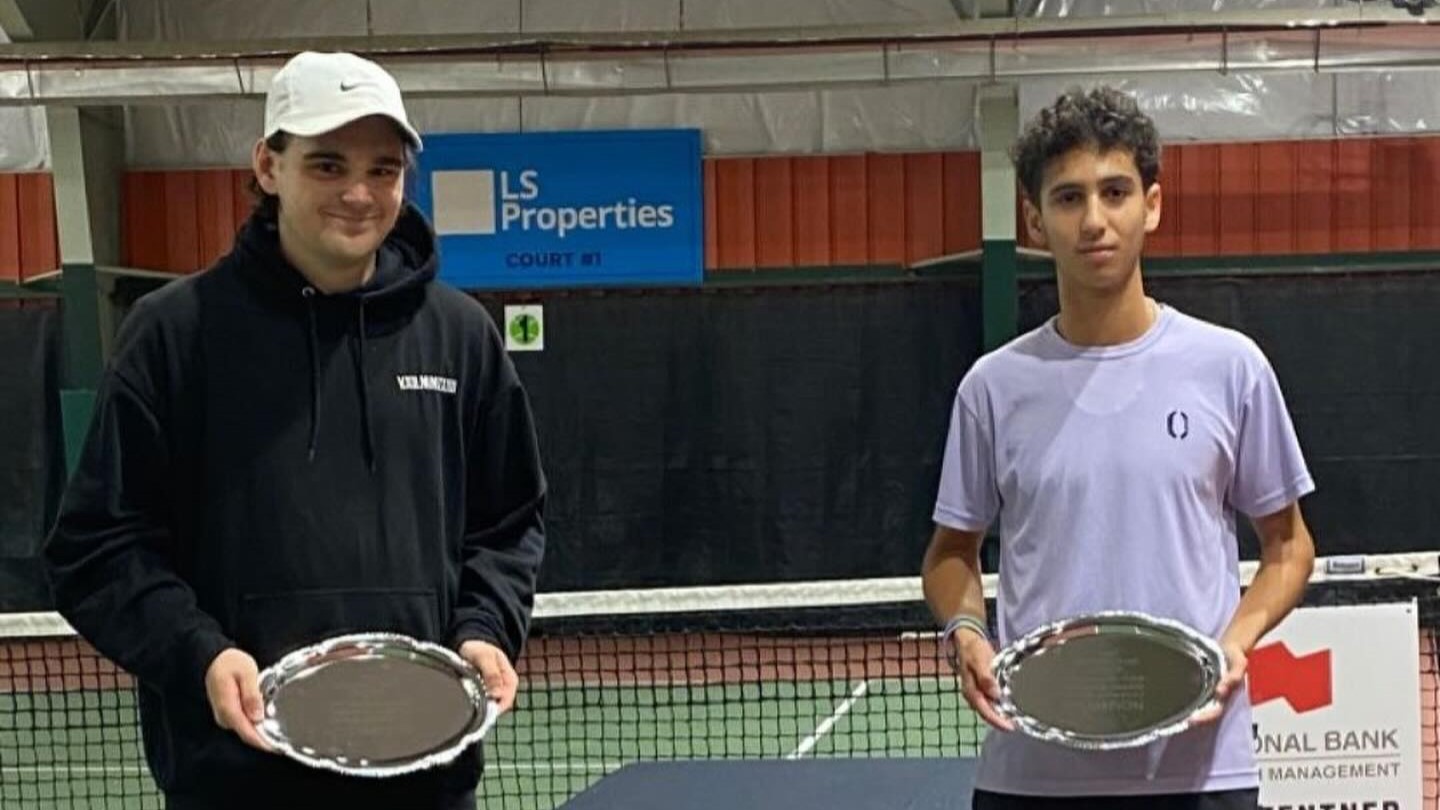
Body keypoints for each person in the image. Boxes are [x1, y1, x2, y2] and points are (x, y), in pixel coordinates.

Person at [44, 51, 546, 809]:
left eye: (383, 169)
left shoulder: (461, 337)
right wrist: (200, 654)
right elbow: (97, 546)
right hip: (234, 786)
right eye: (327, 164)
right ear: (268, 166)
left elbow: (510, 524)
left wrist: (482, 630)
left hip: (426, 785)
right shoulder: (175, 335)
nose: (358, 192)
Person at [921, 86, 1316, 809]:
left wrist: (1236, 640)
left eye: (1115, 192)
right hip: (1030, 776)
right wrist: (969, 631)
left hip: (1201, 771)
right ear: (1035, 221)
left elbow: (1289, 547)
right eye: (1069, 199)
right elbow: (951, 553)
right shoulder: (992, 387)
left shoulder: (1230, 367)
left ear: (1152, 206)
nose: (1095, 220)